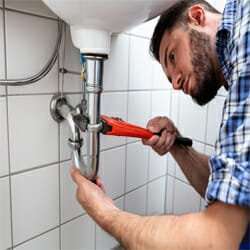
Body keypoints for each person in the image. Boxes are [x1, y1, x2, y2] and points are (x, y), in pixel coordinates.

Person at [70, 0, 250, 249]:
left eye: (173, 55)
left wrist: (104, 213)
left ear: (197, 17)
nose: (175, 84)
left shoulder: (245, 42)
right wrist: (178, 146)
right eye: (169, 78)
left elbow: (216, 238)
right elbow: (231, 189)